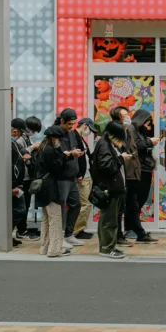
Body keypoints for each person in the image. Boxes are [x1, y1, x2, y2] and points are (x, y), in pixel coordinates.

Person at [91, 121, 130, 259]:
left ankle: (109, 246)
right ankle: (106, 248)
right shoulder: (104, 145)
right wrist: (120, 158)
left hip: (114, 188)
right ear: (114, 134)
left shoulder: (108, 144)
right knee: (109, 221)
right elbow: (106, 166)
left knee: (111, 220)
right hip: (109, 188)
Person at [35, 126, 72, 257]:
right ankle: (55, 249)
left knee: (46, 219)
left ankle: (45, 248)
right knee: (55, 219)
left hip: (42, 187)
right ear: (54, 138)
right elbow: (56, 167)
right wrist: (65, 156)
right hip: (50, 188)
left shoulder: (42, 148)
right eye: (59, 139)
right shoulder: (50, 150)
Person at [53, 108, 85, 248]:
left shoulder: (72, 133)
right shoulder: (55, 134)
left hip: (72, 176)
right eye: (69, 124)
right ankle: (58, 237)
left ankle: (68, 234)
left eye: (73, 124)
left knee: (76, 204)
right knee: (60, 207)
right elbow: (57, 155)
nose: (71, 127)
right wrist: (70, 154)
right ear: (62, 121)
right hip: (61, 177)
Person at [130, 109, 159, 244]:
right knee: (136, 200)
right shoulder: (132, 130)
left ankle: (133, 228)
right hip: (139, 169)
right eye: (147, 121)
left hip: (145, 168)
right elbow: (136, 145)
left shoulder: (139, 131)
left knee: (139, 200)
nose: (148, 125)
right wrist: (150, 142)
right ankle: (137, 230)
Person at [108, 106, 135, 248]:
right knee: (115, 210)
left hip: (124, 174)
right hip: (115, 176)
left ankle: (119, 234)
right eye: (124, 116)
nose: (127, 117)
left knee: (121, 207)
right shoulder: (111, 137)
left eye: (127, 114)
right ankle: (115, 238)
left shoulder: (127, 131)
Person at [16, 116, 43, 239]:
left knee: (26, 205)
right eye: (33, 130)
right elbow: (19, 154)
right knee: (22, 206)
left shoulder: (26, 138)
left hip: (28, 177)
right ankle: (21, 230)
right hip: (23, 178)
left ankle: (23, 229)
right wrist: (32, 148)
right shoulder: (20, 140)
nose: (33, 133)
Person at [71, 118, 97, 240]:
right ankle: (76, 230)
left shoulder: (80, 138)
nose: (89, 132)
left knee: (85, 203)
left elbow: (86, 157)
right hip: (82, 176)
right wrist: (78, 174)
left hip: (86, 175)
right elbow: (75, 158)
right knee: (85, 204)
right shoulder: (74, 137)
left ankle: (78, 229)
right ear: (85, 125)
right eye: (90, 129)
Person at [10, 118, 29, 248]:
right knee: (19, 210)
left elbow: (22, 150)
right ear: (15, 131)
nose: (21, 135)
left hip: (17, 184)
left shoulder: (13, 143)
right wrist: (13, 186)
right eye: (21, 132)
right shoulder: (9, 144)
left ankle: (9, 235)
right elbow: (10, 167)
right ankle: (7, 235)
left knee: (17, 210)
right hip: (13, 185)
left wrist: (26, 152)